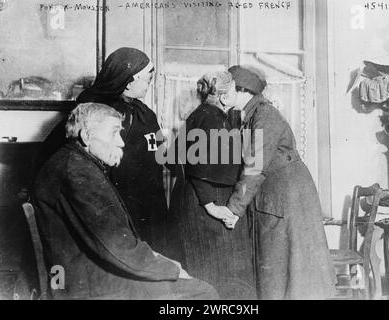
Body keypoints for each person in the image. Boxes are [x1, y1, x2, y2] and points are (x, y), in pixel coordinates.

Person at [33, 103, 218, 300]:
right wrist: (172, 269)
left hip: (90, 276)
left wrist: (162, 262)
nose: (121, 142)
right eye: (114, 133)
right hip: (93, 287)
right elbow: (117, 248)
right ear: (87, 136)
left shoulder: (74, 161)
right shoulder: (77, 171)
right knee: (204, 293)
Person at [35, 47, 180, 261]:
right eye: (148, 78)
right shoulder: (94, 111)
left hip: (149, 206)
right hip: (115, 209)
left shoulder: (143, 112)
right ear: (129, 82)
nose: (151, 83)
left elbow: (162, 152)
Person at [214, 65, 336, 300]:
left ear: (242, 90)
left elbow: (255, 167)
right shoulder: (251, 116)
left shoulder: (265, 115)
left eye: (227, 88)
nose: (222, 94)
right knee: (282, 270)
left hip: (288, 197)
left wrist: (234, 208)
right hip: (279, 195)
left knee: (292, 273)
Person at [169, 71, 256, 300]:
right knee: (215, 274)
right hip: (206, 201)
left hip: (199, 198)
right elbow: (200, 169)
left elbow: (173, 158)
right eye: (236, 89)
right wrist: (211, 206)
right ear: (224, 97)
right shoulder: (211, 118)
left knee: (209, 273)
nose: (239, 94)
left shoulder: (203, 114)